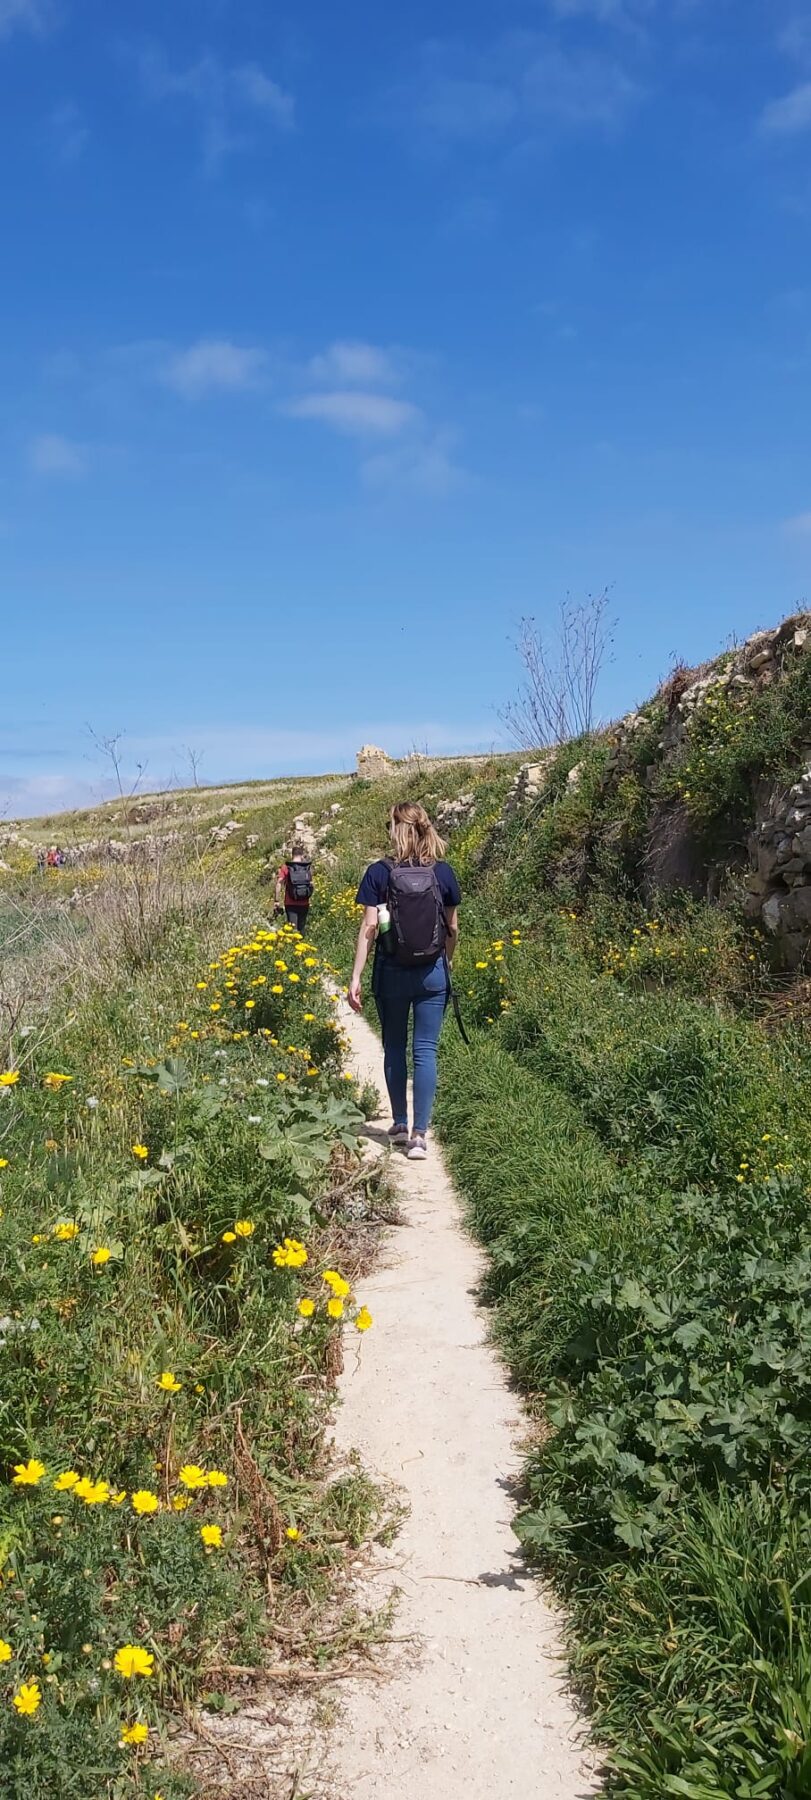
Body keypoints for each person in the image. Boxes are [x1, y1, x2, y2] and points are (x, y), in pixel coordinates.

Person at [348, 801, 461, 1161]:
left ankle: (398, 1121)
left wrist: (355, 976)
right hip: (432, 972)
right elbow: (452, 929)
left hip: (391, 972)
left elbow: (369, 928)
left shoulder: (378, 873)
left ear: (393, 830)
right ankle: (419, 1135)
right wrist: (447, 964)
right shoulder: (442, 873)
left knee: (394, 1046)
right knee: (425, 1050)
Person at [275, 842, 313, 933]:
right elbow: (311, 884)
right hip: (304, 903)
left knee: (292, 930)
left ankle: (293, 946)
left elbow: (279, 883)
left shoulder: (286, 867)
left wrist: (276, 900)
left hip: (290, 903)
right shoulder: (307, 868)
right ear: (302, 855)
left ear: (292, 855)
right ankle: (303, 944)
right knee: (302, 928)